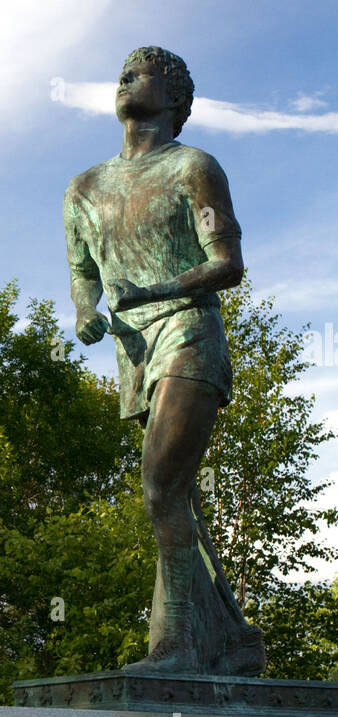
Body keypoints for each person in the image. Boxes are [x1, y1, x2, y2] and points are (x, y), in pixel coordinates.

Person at [63, 45, 264, 675]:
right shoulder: (83, 188)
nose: (125, 78)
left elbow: (226, 263)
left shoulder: (196, 168)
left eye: (142, 72)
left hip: (188, 333)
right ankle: (232, 640)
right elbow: (82, 274)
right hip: (134, 353)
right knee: (175, 497)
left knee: (161, 488)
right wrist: (84, 312)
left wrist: (155, 290)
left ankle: (175, 647)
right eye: (121, 71)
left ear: (175, 98)